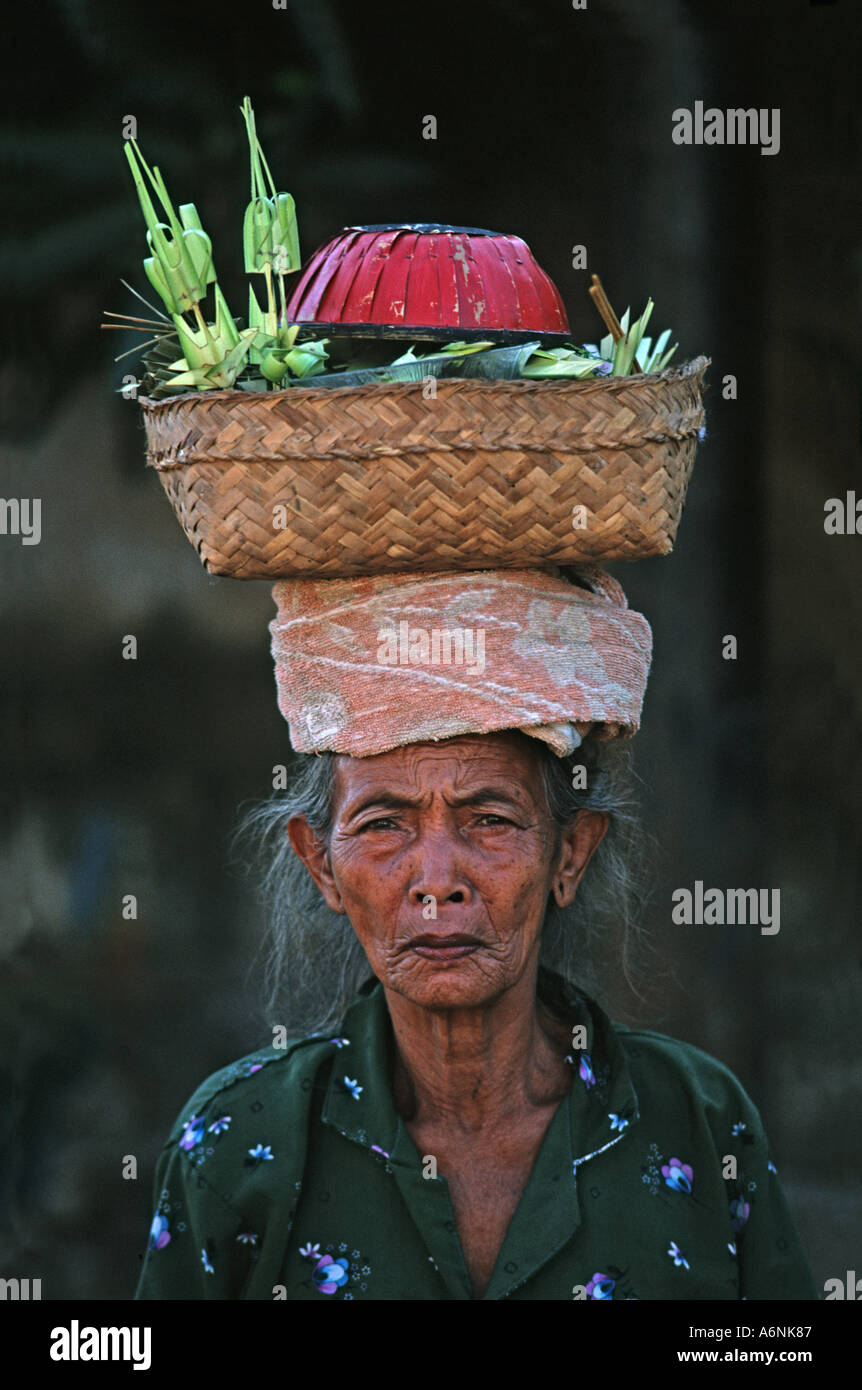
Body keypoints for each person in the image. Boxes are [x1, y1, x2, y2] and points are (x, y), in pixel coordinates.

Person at [135, 566, 817, 1300]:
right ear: (322, 865)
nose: (436, 881)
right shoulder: (237, 1141)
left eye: (489, 820)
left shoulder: (699, 1123)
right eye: (383, 824)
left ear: (569, 854)